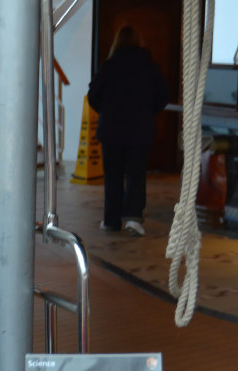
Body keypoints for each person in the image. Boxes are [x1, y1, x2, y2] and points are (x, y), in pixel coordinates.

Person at [87, 25, 169, 237]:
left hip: (111, 129)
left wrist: (106, 110)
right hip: (140, 130)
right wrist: (149, 111)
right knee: (136, 174)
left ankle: (111, 220)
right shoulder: (150, 67)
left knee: (113, 175)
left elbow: (93, 95)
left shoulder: (109, 66)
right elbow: (163, 97)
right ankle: (133, 219)